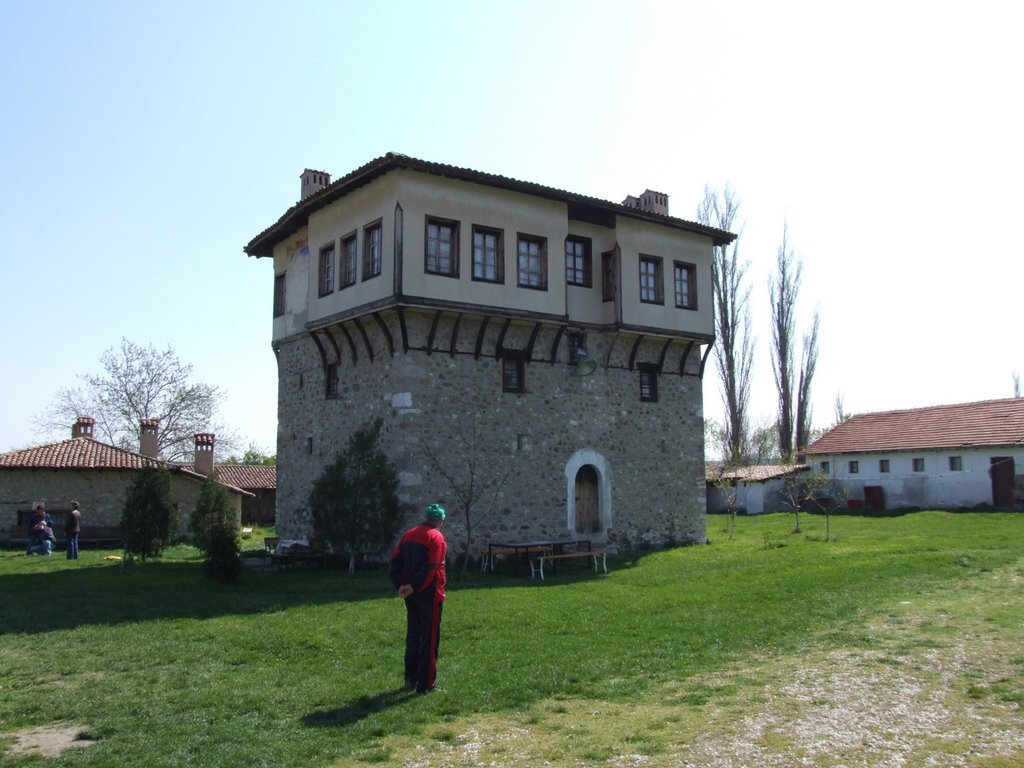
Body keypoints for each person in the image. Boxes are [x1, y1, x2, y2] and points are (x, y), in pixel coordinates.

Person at [388, 503, 447, 694]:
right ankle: (426, 684)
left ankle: (409, 679)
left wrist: (401, 585)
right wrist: (413, 586)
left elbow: (395, 561)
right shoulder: (436, 537)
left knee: (413, 635)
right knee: (429, 640)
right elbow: (432, 568)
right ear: (440, 521)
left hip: (410, 595)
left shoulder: (409, 534)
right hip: (428, 594)